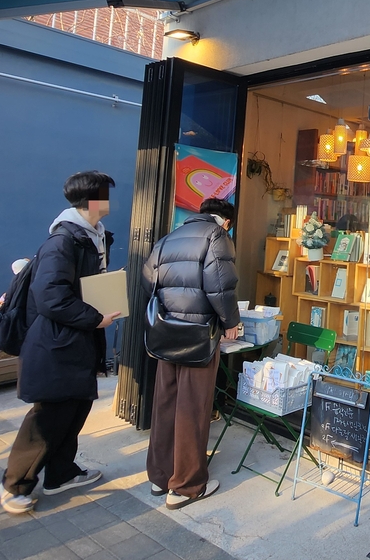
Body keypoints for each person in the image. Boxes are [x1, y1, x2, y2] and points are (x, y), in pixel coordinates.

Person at [0, 170, 122, 514]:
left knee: (76, 407)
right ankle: (14, 484)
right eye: (106, 195)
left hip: (75, 338)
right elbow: (49, 295)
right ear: (94, 200)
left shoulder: (92, 237)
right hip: (58, 341)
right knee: (51, 413)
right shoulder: (64, 241)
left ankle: (61, 474)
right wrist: (95, 318)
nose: (110, 202)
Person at [142, 198, 241, 509]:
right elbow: (221, 287)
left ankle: (160, 477)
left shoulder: (168, 238)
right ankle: (186, 485)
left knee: (166, 403)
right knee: (193, 408)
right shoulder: (217, 237)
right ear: (226, 221)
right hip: (199, 335)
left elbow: (149, 282)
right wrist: (231, 322)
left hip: (167, 331)